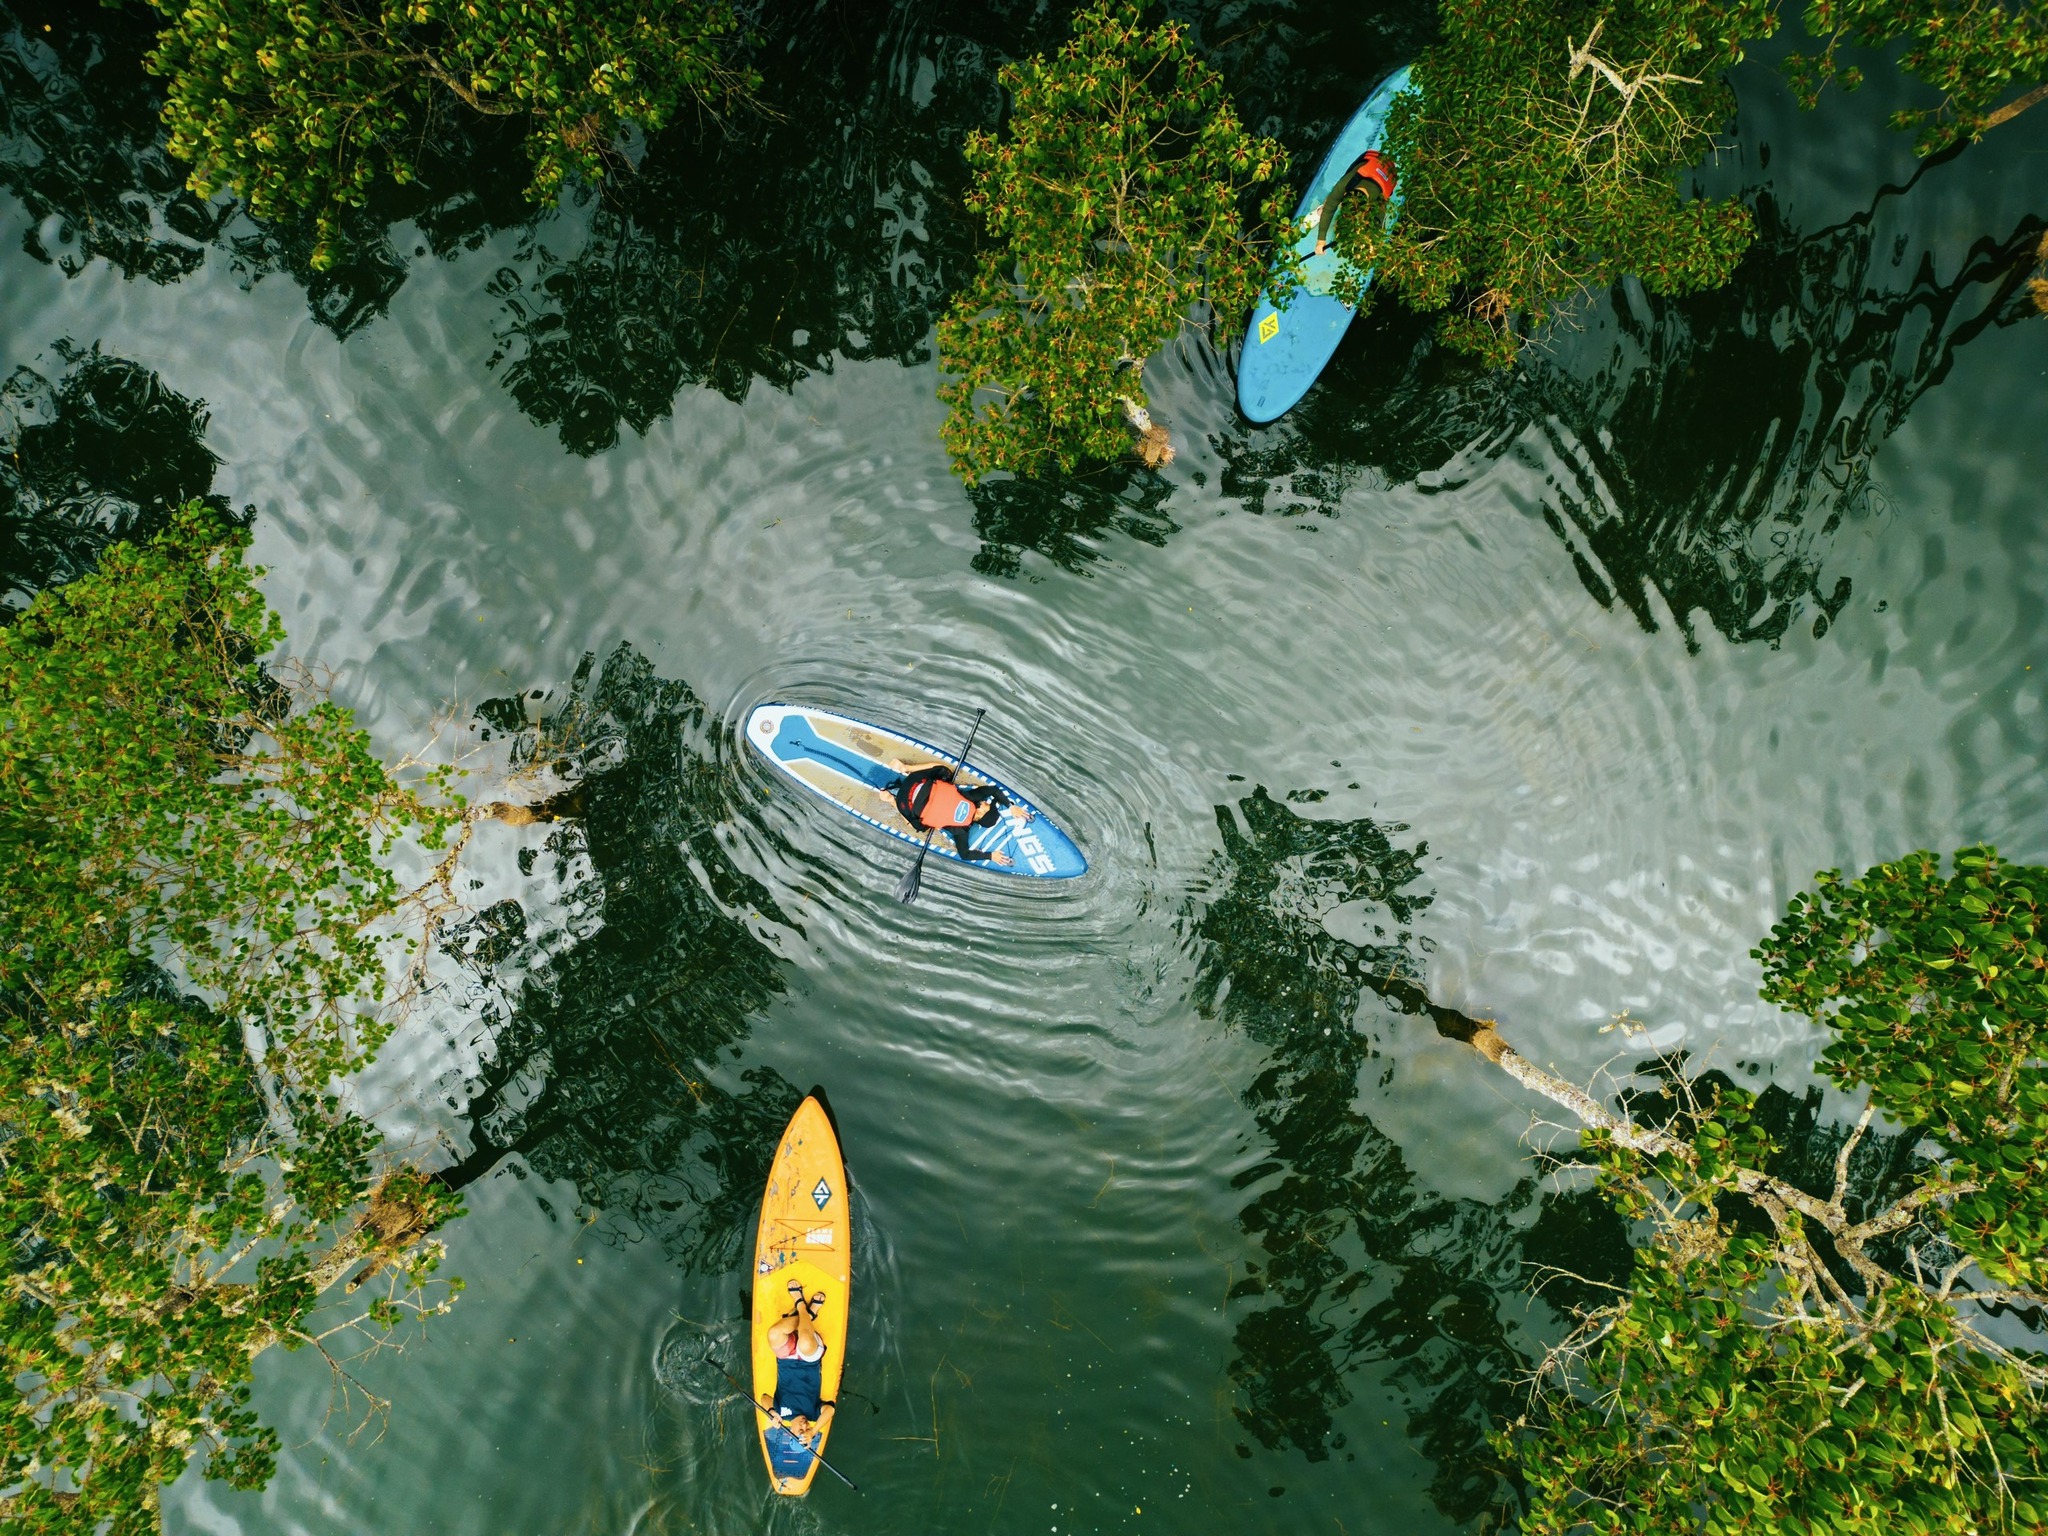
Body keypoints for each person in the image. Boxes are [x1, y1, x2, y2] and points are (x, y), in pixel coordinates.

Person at [882, 756, 1031, 866]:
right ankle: (890, 800)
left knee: (945, 771)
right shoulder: (960, 831)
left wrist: (1011, 806)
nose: (985, 802)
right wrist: (991, 856)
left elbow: (993, 790)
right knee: (919, 825)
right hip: (904, 803)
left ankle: (905, 768)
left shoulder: (969, 796)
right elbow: (965, 855)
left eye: (987, 806)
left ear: (980, 814)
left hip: (915, 781)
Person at [760, 1281, 836, 1476]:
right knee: (804, 1341)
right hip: (810, 1356)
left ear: (790, 1430)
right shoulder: (813, 1415)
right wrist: (814, 1430)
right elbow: (830, 1410)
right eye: (806, 1429)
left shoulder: (780, 1415)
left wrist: (770, 1411)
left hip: (785, 1358)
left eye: (800, 1430)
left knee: (774, 1333)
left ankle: (805, 1316)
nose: (804, 1425)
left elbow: (764, 1397)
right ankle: (802, 1306)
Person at [1314, 149, 1397, 257]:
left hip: (1388, 174)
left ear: (1368, 208)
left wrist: (1370, 245)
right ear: (1345, 195)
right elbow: (1330, 206)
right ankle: (1321, 211)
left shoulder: (1379, 201)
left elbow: (1378, 226)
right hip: (1367, 162)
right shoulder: (1345, 184)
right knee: (1332, 198)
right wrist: (1321, 240)